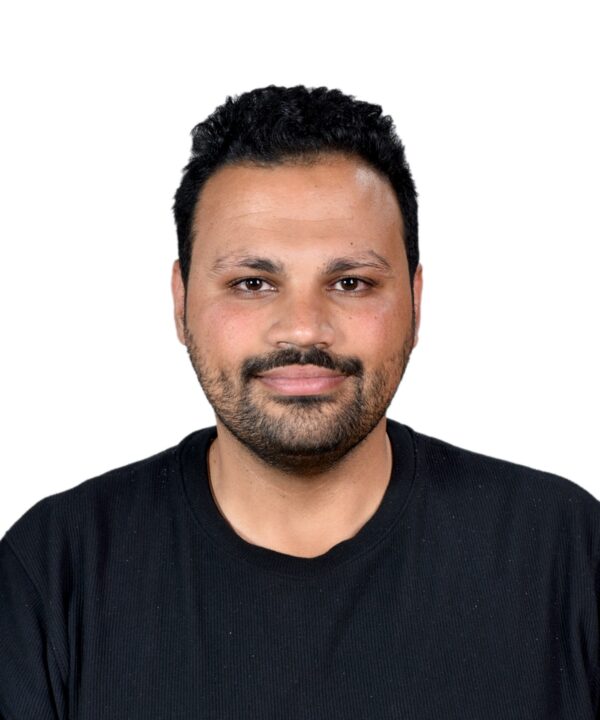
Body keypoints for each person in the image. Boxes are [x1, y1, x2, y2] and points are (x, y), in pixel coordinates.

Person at [1, 85, 598, 719]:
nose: (304, 329)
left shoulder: (565, 554)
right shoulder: (54, 572)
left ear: (416, 302)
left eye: (351, 282)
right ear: (181, 302)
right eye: (252, 283)